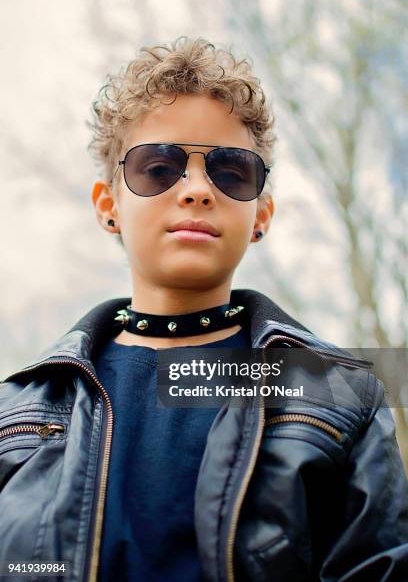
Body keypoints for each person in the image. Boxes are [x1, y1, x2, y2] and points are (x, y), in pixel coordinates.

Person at [0, 35, 407, 582]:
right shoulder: (14, 417)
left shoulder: (342, 397)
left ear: (262, 213)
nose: (195, 189)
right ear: (108, 206)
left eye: (231, 171)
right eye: (158, 168)